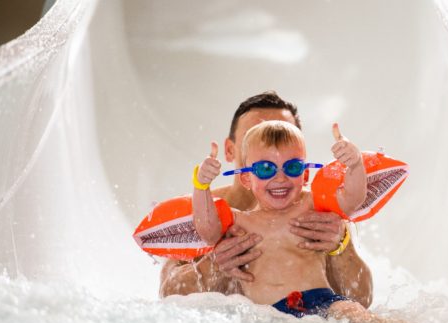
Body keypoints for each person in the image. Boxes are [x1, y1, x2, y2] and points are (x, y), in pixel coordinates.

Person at [159, 92, 373, 308]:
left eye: (283, 137)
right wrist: (212, 265)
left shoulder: (316, 214)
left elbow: (362, 300)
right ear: (231, 151)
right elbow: (168, 296)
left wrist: (340, 246)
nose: (278, 173)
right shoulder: (210, 212)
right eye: (259, 137)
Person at [192, 120, 403, 323]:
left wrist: (355, 164)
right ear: (246, 178)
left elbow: (352, 198)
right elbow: (207, 229)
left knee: (351, 312)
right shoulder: (241, 223)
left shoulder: (312, 206)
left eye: (292, 167)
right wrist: (201, 185)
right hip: (268, 315)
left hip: (323, 301)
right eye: (266, 169)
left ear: (305, 175)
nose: (280, 178)